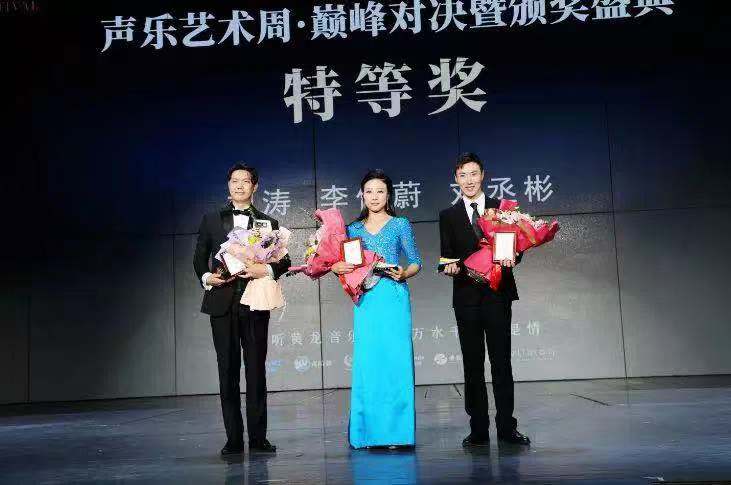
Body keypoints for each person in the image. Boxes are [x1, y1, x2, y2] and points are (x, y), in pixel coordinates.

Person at [193, 163, 291, 456]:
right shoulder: (211, 219)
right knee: (227, 371)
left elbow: (284, 261)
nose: (239, 186)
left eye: (245, 181)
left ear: (255, 186)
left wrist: (265, 269)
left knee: (256, 371)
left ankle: (258, 439)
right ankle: (233, 440)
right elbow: (199, 257)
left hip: (255, 302)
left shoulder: (268, 223)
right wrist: (206, 277)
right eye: (234, 181)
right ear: (228, 185)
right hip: (221, 303)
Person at [439, 153, 531, 447]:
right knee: (472, 365)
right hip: (466, 297)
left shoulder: (501, 209)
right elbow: (447, 256)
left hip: (498, 294)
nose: (468, 180)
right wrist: (448, 267)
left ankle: (507, 428)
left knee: (502, 362)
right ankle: (478, 429)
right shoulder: (448, 215)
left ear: (483, 175)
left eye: (473, 173)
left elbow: (516, 246)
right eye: (462, 175)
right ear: (456, 179)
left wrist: (514, 256)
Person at [332, 169, 422, 449]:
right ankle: (367, 433)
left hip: (393, 297)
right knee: (368, 364)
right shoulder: (352, 229)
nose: (374, 197)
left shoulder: (400, 224)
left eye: (380, 191)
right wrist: (336, 267)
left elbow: (416, 261)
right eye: (369, 191)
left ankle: (398, 434)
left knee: (396, 362)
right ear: (362, 195)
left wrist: (405, 273)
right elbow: (344, 265)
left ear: (388, 195)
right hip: (367, 300)